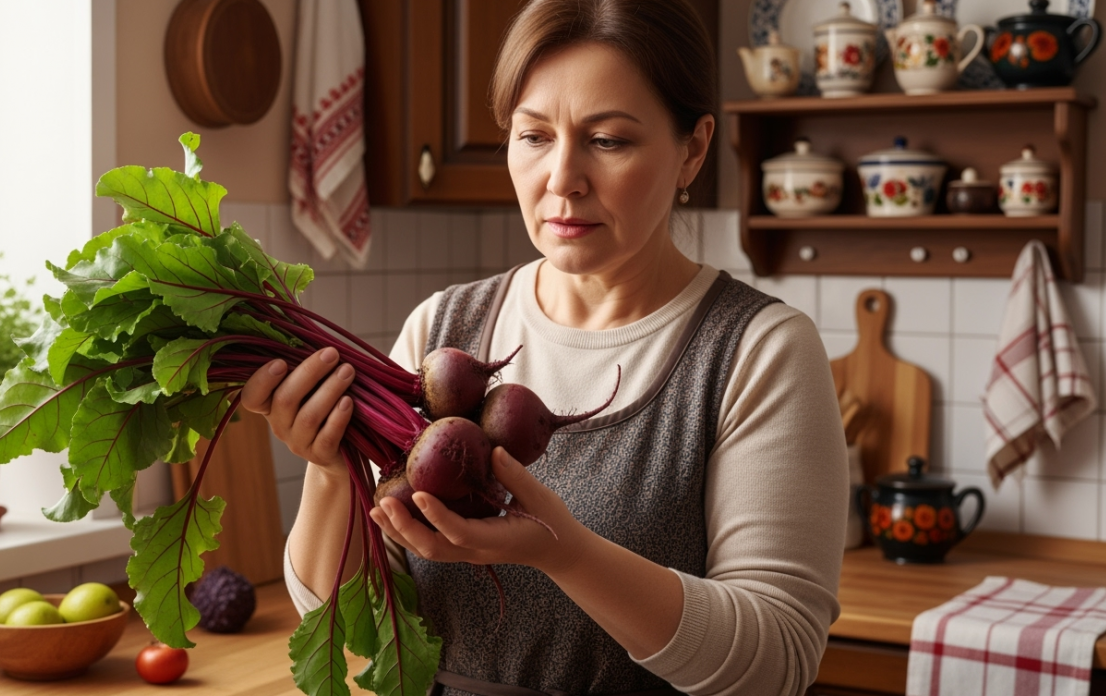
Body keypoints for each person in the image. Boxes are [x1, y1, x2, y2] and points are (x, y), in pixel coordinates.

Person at [240, 1, 849, 694]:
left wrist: (566, 555)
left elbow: (777, 663)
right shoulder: (442, 330)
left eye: (609, 141)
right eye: (533, 136)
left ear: (694, 148)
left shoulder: (757, 351)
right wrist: (327, 467)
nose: (562, 178)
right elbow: (343, 623)